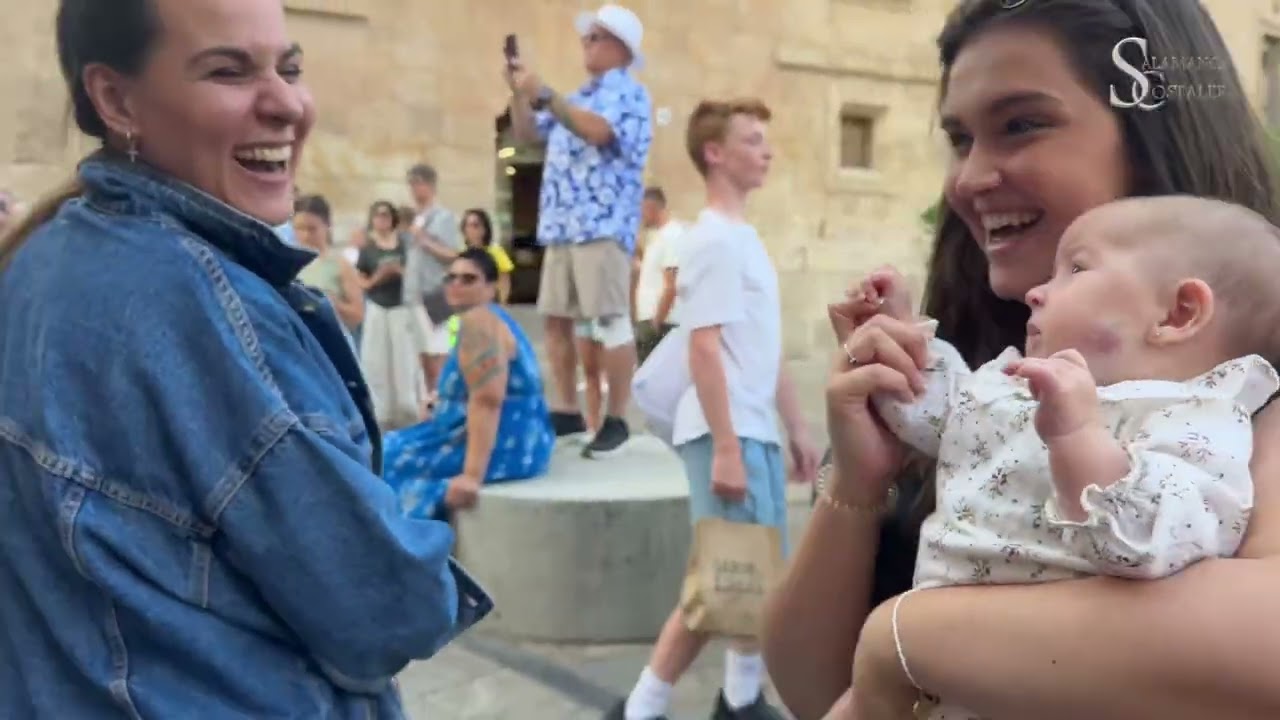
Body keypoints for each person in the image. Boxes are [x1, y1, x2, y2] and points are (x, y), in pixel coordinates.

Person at [761, 1, 1280, 718]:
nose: (970, 177)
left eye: (1023, 124)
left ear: (1148, 131)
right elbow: (811, 689)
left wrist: (902, 641)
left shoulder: (1239, 395)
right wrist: (858, 478)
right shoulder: (980, 373)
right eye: (959, 137)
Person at [0, 0, 491, 716]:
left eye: (290, 67)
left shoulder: (41, 260)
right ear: (116, 97)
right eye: (228, 71)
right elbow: (388, 609)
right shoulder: (205, 309)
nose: (287, 104)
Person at [828, 197, 1280, 719]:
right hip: (948, 673)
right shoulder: (1023, 387)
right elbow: (940, 416)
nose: (1037, 292)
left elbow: (1151, 541)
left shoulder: (1195, 422)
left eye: (1077, 269)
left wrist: (1078, 438)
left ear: (1178, 314)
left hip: (1043, 685)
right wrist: (897, 339)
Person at [613, 99, 821, 720]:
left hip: (749, 429)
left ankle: (739, 699)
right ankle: (646, 709)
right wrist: (728, 446)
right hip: (724, 432)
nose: (767, 150)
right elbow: (704, 348)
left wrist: (798, 426)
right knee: (721, 580)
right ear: (715, 153)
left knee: (749, 578)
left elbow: (763, 346)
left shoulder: (742, 239)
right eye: (753, 140)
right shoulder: (711, 241)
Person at [507, 3, 653, 456]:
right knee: (556, 319)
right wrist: (518, 91)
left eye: (595, 37)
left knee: (609, 319)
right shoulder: (581, 95)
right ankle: (568, 410)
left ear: (620, 47)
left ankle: (618, 417)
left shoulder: (628, 94)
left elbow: (597, 132)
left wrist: (546, 94)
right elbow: (529, 133)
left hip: (601, 224)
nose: (586, 44)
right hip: (563, 224)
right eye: (587, 37)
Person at [382, 248, 555, 521]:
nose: (456, 285)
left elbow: (487, 399)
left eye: (469, 279)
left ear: (491, 287)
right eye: (451, 278)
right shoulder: (491, 318)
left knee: (376, 458)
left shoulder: (479, 323)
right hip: (522, 442)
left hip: (502, 446)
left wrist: (471, 476)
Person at [357, 200, 422, 429]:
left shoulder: (404, 245)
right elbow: (362, 282)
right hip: (377, 306)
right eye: (377, 215)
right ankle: (381, 411)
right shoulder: (368, 249)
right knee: (376, 360)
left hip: (401, 308)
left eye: (386, 215)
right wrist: (380, 276)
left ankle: (407, 408)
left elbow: (416, 276)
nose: (382, 220)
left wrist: (399, 271)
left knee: (404, 359)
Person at [405, 164, 462, 392]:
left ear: (429, 185)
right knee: (423, 357)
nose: (413, 189)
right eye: (410, 184)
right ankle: (430, 402)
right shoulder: (415, 218)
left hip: (435, 295)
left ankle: (444, 402)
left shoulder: (443, 217)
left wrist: (426, 241)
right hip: (413, 294)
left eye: (417, 183)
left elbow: (452, 254)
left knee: (439, 354)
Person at [295, 194, 365, 334]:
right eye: (300, 228)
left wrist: (333, 304)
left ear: (327, 226)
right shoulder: (289, 264)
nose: (306, 235)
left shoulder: (341, 265)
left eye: (312, 229)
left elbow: (358, 315)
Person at [634, 185, 684, 363]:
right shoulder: (657, 237)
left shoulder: (672, 236)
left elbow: (671, 285)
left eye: (641, 210)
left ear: (650, 207)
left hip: (661, 323)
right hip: (649, 319)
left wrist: (656, 323)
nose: (640, 217)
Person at [461, 207, 514, 304]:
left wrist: (502, 306)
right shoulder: (462, 255)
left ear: (484, 229)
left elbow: (504, 282)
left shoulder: (496, 252)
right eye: (467, 226)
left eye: (475, 226)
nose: (470, 230)